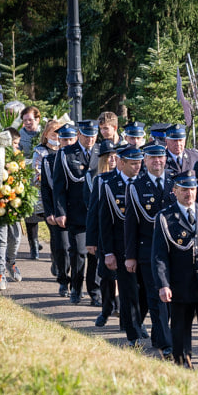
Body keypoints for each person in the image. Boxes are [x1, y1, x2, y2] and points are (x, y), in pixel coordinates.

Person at [153, 169, 198, 375]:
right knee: (180, 329)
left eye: (192, 189)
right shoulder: (166, 218)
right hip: (180, 284)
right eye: (184, 189)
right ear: (174, 191)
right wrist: (163, 284)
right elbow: (159, 255)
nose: (189, 193)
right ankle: (182, 365)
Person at [125, 144, 174, 358]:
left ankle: (158, 334)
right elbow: (131, 224)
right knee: (156, 298)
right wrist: (130, 256)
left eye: (160, 157)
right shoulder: (136, 186)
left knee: (172, 300)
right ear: (145, 161)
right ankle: (166, 344)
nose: (157, 161)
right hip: (149, 252)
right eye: (152, 158)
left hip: (175, 252)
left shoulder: (176, 183)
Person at [100, 147, 148, 345]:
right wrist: (108, 252)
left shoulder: (145, 184)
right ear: (121, 162)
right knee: (128, 292)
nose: (137, 167)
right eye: (133, 163)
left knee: (145, 289)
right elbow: (104, 222)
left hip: (143, 246)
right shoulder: (109, 185)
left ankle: (138, 321)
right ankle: (133, 333)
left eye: (139, 163)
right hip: (121, 247)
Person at [54, 119, 100, 305]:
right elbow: (59, 186)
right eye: (86, 135)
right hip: (76, 212)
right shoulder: (66, 153)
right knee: (79, 253)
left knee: (95, 254)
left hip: (96, 213)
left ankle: (95, 292)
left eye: (93, 136)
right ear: (79, 134)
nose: (90, 139)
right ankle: (76, 288)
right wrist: (60, 211)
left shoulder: (101, 151)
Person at [87, 139, 119, 326]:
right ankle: (106, 309)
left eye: (116, 156)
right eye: (109, 157)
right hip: (103, 234)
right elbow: (93, 211)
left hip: (123, 235)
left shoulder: (128, 179)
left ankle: (122, 310)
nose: (113, 160)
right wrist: (91, 240)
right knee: (107, 276)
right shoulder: (99, 180)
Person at [42, 123, 75, 296]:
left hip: (77, 212)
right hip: (57, 211)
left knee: (77, 250)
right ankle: (63, 279)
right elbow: (46, 190)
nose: (68, 143)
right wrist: (50, 212)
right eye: (64, 139)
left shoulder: (81, 159)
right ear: (59, 140)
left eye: (71, 139)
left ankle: (76, 283)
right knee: (61, 247)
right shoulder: (49, 160)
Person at [27, 119, 61, 260]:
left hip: (60, 196)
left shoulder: (63, 150)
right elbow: (37, 174)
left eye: (59, 135)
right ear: (46, 135)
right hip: (45, 195)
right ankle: (52, 256)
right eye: (53, 135)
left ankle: (57, 257)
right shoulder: (40, 152)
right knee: (53, 230)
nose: (57, 138)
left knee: (59, 232)